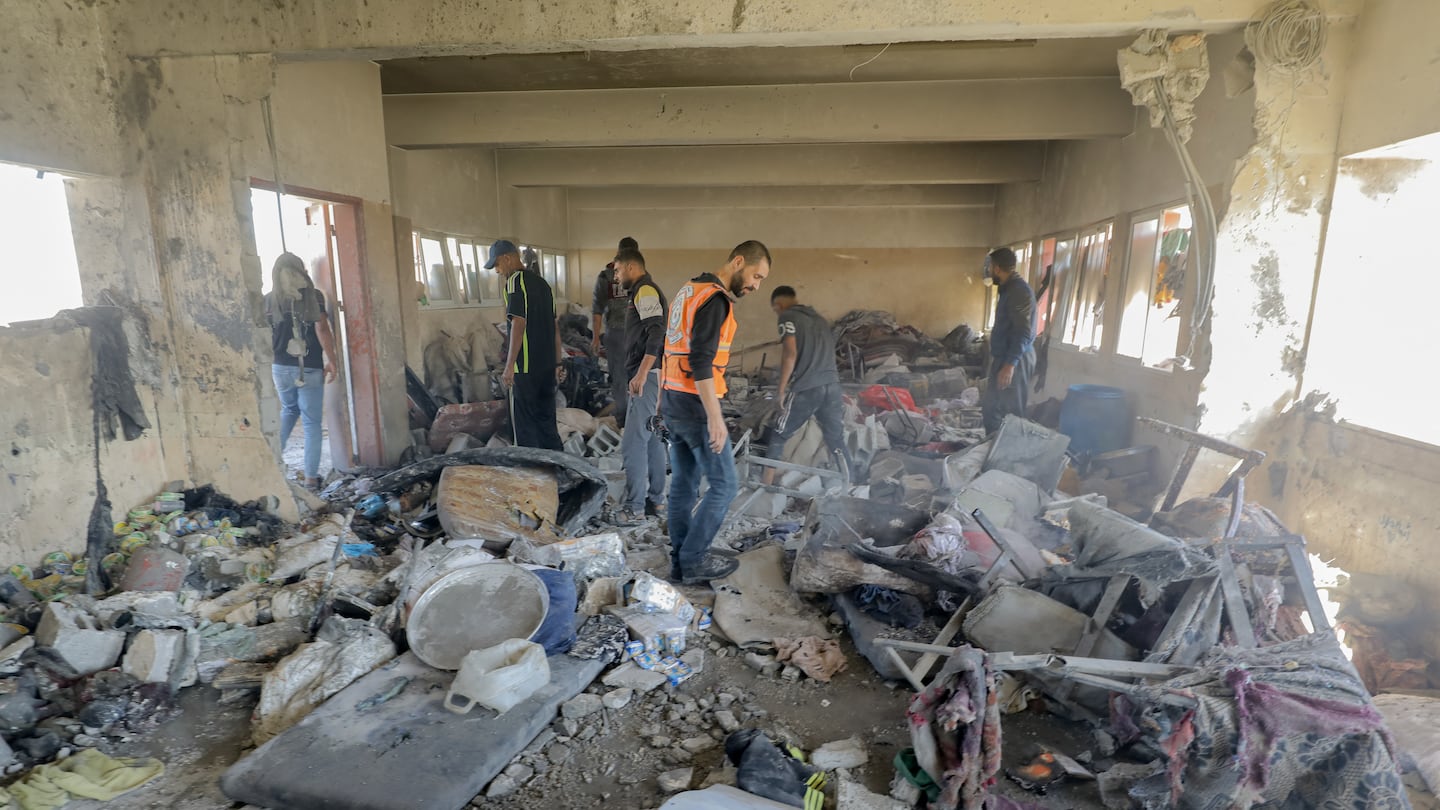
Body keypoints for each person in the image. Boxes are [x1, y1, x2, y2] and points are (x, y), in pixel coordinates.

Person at [660, 240, 772, 584]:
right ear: (738, 262)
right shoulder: (715, 300)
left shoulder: (689, 289)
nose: (756, 285)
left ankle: (681, 562)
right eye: (756, 275)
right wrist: (715, 417)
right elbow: (700, 360)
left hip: (671, 399)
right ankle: (694, 560)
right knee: (725, 484)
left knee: (683, 483)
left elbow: (672, 348)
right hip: (694, 405)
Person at [762, 286, 853, 485]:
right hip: (832, 385)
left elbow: (790, 354)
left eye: (775, 309)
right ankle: (851, 485)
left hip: (808, 387)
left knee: (778, 433)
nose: (777, 313)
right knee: (835, 439)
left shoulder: (787, 317)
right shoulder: (819, 319)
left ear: (779, 305)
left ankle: (764, 487)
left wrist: (780, 391)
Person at [265, 252, 338, 490]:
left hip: (280, 367)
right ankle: (310, 478)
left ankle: (272, 465)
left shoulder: (268, 300)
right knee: (311, 423)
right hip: (309, 368)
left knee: (288, 410)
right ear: (302, 272)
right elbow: (322, 329)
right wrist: (333, 359)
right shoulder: (313, 297)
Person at [489, 239, 564, 450]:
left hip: (526, 368)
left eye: (497, 264)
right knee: (547, 423)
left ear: (507, 258)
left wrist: (510, 365)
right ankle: (559, 471)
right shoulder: (544, 285)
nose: (497, 270)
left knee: (524, 428)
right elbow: (555, 327)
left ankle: (530, 476)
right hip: (547, 367)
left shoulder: (515, 281)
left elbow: (518, 323)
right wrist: (558, 364)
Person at [614, 247, 668, 524]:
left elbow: (657, 330)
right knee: (653, 441)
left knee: (633, 443)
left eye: (618, 269)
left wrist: (642, 372)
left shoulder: (645, 290)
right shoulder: (643, 291)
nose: (616, 275)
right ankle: (656, 502)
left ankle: (634, 507)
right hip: (656, 376)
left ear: (632, 267)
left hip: (648, 376)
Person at [981, 246, 1036, 435]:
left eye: (990, 268)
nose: (988, 272)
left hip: (1016, 360)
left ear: (996, 268)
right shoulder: (1007, 289)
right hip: (1006, 357)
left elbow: (1023, 332)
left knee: (1011, 413)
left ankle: (1010, 459)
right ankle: (993, 454)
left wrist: (1010, 365)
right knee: (992, 410)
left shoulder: (1019, 292)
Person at [592, 237, 639, 426]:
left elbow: (596, 309)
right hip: (631, 333)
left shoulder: (606, 276)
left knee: (620, 378)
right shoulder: (638, 274)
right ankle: (633, 416)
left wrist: (596, 337)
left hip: (620, 333)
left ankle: (624, 419)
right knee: (636, 375)